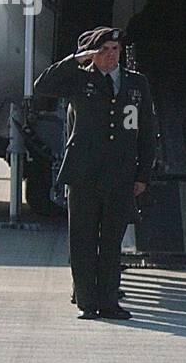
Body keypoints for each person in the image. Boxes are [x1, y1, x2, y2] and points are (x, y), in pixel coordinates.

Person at [33, 27, 156, 320]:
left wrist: (142, 175)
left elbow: (147, 132)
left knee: (112, 241)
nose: (111, 55)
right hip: (84, 173)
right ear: (92, 54)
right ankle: (88, 302)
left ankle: (109, 301)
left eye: (115, 49)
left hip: (120, 174)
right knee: (83, 238)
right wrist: (75, 60)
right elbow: (42, 85)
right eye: (104, 50)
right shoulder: (79, 79)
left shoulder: (136, 84)